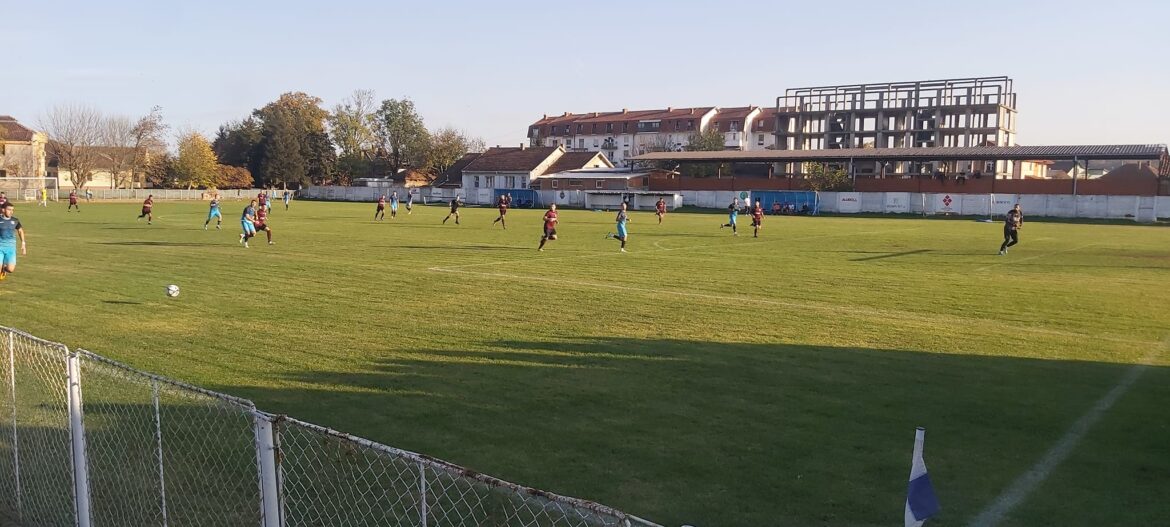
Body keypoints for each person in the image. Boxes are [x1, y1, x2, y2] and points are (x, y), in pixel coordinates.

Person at [0, 202, 26, 282]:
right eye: (9, 210)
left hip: (11, 248)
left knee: (10, 269)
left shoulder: (15, 220)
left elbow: (20, 231)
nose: (11, 212)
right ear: (3, 210)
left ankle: (4, 268)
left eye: (12, 210)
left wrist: (23, 244)